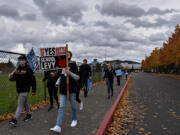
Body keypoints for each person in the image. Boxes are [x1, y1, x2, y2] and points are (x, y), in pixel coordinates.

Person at [50, 51, 80, 133]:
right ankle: (58, 125)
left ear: (71, 56)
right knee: (61, 107)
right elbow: (60, 76)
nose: (67, 56)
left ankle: (74, 119)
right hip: (63, 89)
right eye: (66, 54)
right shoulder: (61, 64)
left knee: (73, 105)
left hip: (71, 89)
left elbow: (77, 77)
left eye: (69, 54)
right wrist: (57, 82)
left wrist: (69, 73)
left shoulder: (73, 65)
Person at [8, 54, 36, 126]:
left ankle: (15, 119)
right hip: (19, 89)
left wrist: (34, 90)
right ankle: (29, 115)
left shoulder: (28, 69)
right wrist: (10, 77)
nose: (21, 61)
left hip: (25, 89)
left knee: (20, 105)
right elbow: (14, 79)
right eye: (20, 60)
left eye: (22, 60)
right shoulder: (17, 69)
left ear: (26, 61)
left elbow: (33, 80)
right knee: (25, 103)